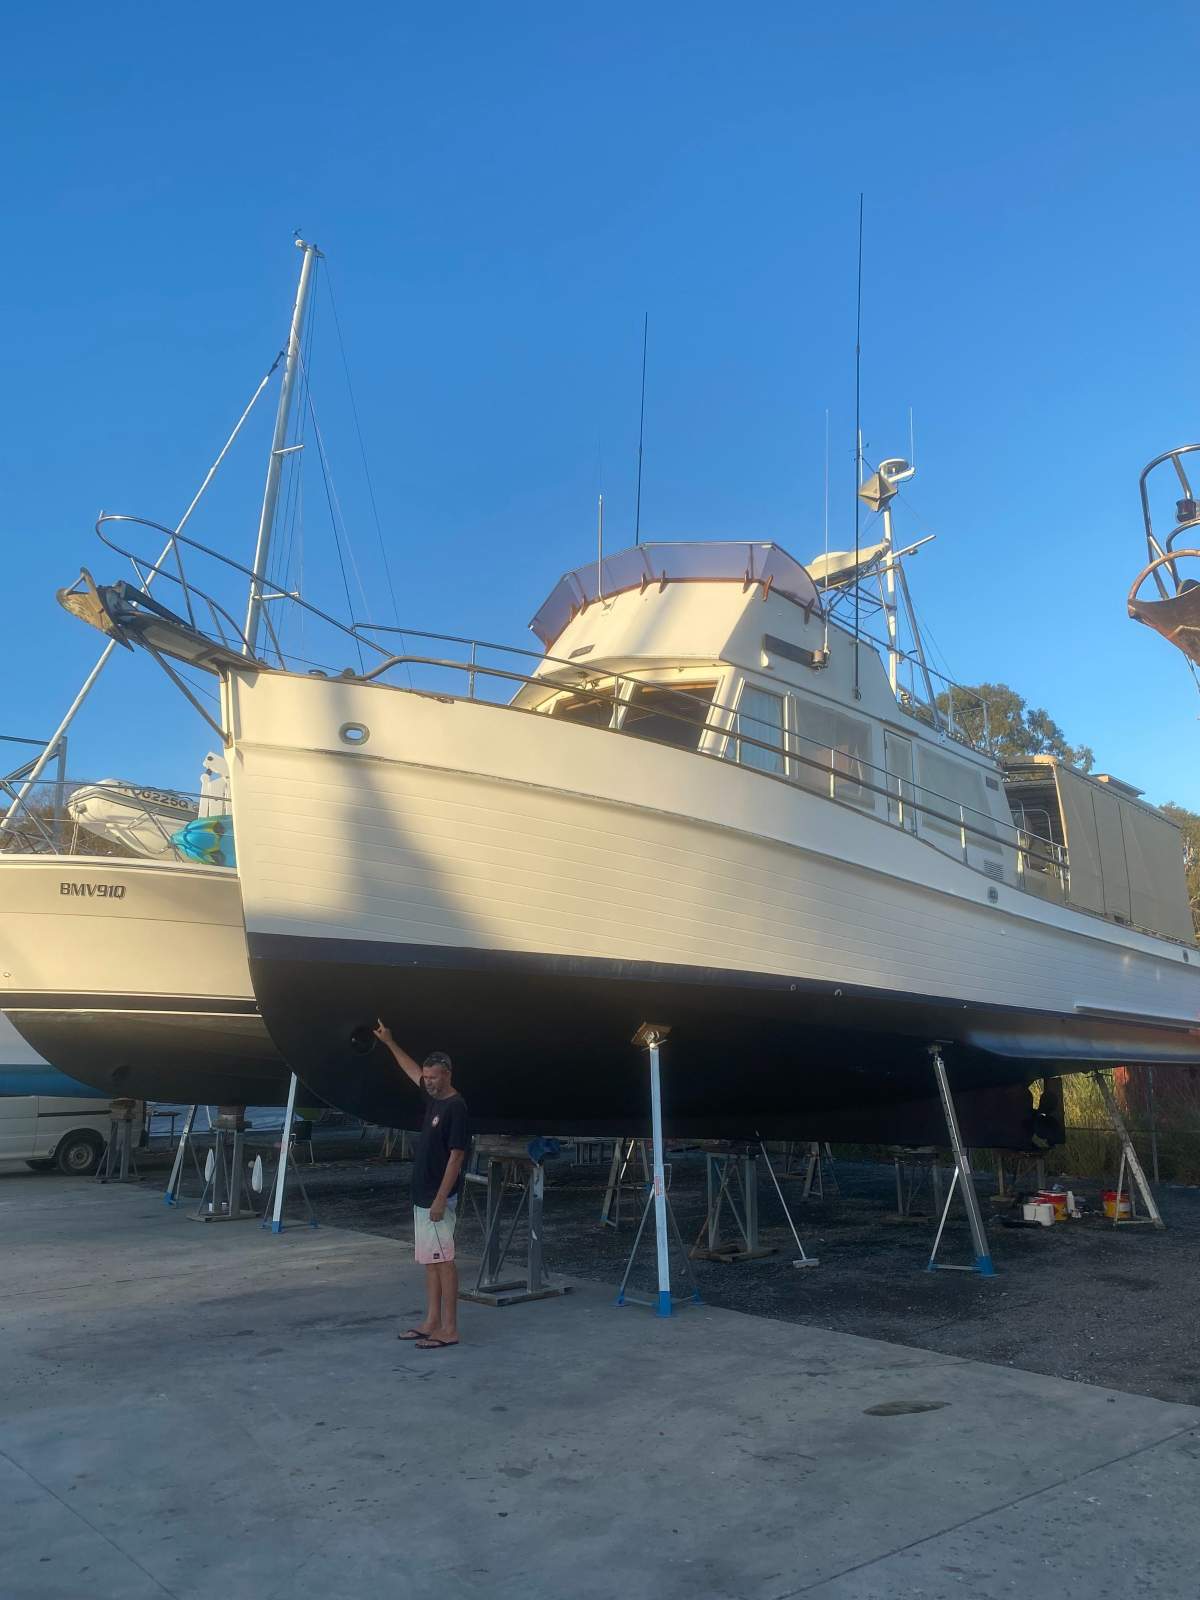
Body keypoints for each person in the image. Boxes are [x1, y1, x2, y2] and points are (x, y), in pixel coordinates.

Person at [373, 1022, 470, 1350]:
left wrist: (441, 1199)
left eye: (434, 1077)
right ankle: (431, 1321)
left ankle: (450, 1328)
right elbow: (410, 1069)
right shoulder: (433, 1099)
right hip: (423, 1194)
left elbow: (457, 1157)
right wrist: (390, 1042)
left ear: (448, 1075)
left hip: (438, 1198)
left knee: (444, 1261)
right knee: (430, 1261)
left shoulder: (456, 1107)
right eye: (426, 1077)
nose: (428, 1081)